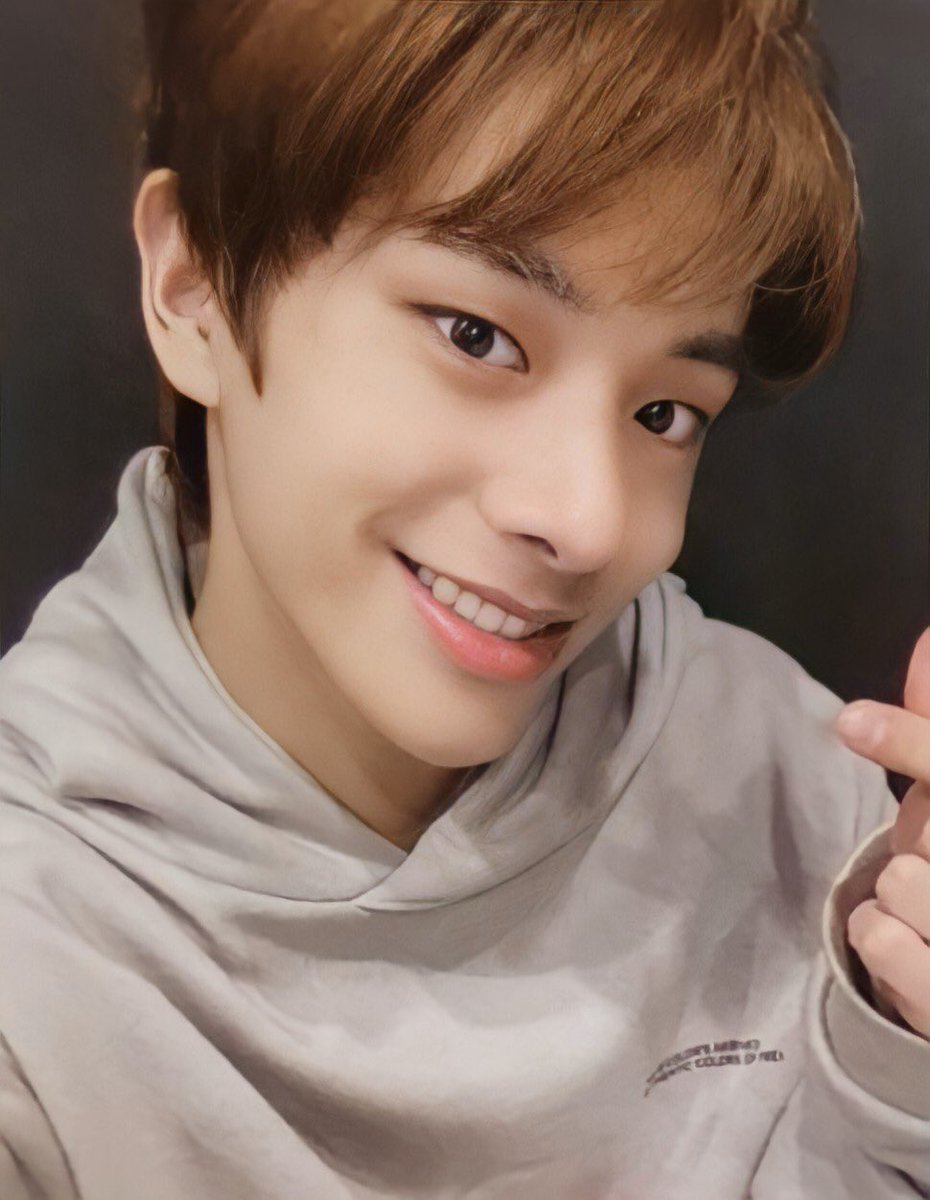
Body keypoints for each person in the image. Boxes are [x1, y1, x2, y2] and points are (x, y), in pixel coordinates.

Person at [0, 0, 928, 1196]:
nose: (590, 522)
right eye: (477, 337)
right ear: (196, 287)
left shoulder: (792, 789)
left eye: (663, 414)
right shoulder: (40, 952)